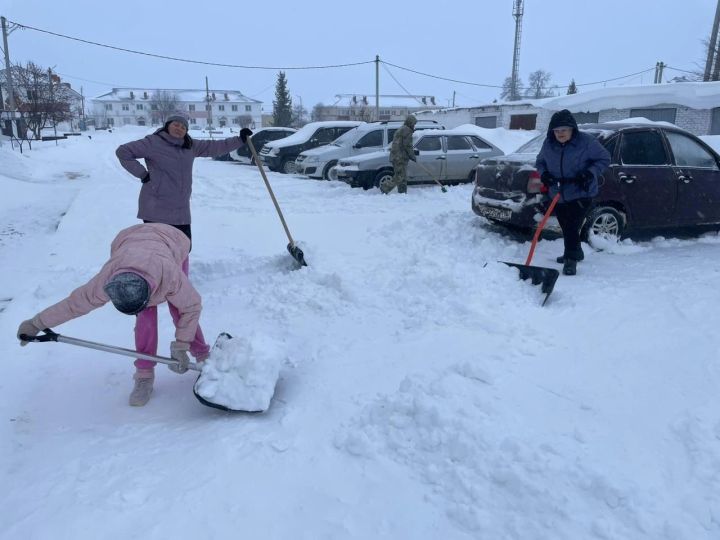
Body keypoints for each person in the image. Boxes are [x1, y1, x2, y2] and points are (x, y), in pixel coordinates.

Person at [116, 115, 251, 380]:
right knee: (150, 291)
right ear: (167, 126)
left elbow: (215, 147)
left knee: (180, 289)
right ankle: (145, 371)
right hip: (155, 217)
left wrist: (241, 139)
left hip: (181, 220)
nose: (180, 128)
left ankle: (200, 351)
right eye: (176, 124)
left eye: (184, 125)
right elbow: (123, 152)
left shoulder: (190, 146)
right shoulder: (153, 143)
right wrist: (144, 176)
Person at [16, 223, 206, 407]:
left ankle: (203, 356)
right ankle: (144, 375)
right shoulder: (107, 280)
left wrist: (181, 345)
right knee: (145, 320)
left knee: (180, 309)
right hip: (129, 241)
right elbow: (74, 305)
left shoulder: (170, 275)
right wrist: (36, 323)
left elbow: (192, 306)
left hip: (172, 240)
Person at [535, 109, 611, 276]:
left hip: (581, 192)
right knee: (566, 225)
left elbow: (604, 158)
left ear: (572, 129)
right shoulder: (548, 144)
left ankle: (571, 259)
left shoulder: (586, 142)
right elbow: (540, 162)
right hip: (558, 193)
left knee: (571, 226)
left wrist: (589, 173)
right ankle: (576, 251)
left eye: (564, 130)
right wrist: (544, 174)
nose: (560, 133)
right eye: (556, 130)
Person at [381, 115, 417, 194]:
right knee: (400, 176)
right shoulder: (407, 130)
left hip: (397, 157)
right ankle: (386, 187)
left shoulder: (402, 129)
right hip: (399, 158)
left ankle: (402, 193)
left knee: (401, 176)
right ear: (410, 122)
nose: (414, 125)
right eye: (414, 124)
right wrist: (412, 156)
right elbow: (407, 145)